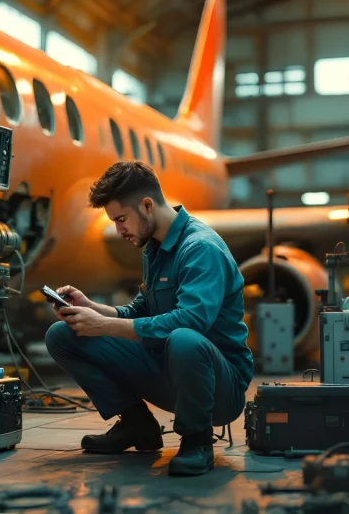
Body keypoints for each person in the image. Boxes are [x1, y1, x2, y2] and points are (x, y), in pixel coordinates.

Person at [44, 161, 254, 477]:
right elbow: (139, 312)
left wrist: (105, 326)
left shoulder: (201, 248)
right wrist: (92, 309)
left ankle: (197, 441)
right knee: (63, 334)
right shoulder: (153, 248)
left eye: (121, 219)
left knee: (183, 337)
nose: (119, 230)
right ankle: (137, 425)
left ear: (146, 205)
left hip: (219, 387)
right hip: (169, 368)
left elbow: (191, 322)